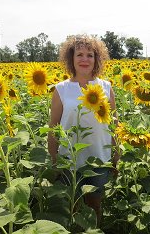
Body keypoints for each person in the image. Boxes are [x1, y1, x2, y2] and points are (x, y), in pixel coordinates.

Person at [48, 34, 119, 225]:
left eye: (90, 55)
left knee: (95, 204)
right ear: (71, 58)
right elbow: (54, 127)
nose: (85, 59)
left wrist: (116, 156)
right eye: (79, 54)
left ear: (97, 59)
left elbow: (113, 124)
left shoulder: (106, 87)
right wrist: (55, 159)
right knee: (73, 205)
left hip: (99, 158)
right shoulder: (61, 89)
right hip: (69, 159)